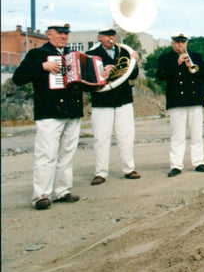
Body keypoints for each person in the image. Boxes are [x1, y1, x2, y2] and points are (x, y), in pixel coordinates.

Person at [12, 22, 84, 210]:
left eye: (66, 34)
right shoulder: (38, 55)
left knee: (67, 153)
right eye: (59, 33)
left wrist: (100, 77)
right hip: (49, 110)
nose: (63, 37)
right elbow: (18, 78)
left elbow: (82, 80)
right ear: (48, 35)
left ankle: (63, 190)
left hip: (72, 110)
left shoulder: (73, 55)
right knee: (46, 154)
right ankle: (41, 195)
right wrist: (42, 67)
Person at [86, 27, 141, 185]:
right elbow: (88, 79)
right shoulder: (91, 54)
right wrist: (102, 72)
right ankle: (100, 172)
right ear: (100, 37)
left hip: (123, 99)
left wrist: (134, 63)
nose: (111, 38)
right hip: (102, 100)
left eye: (113, 35)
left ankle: (129, 169)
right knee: (101, 138)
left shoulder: (124, 52)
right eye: (107, 35)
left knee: (126, 136)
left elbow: (133, 74)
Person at [156, 33, 204, 176]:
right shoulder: (165, 58)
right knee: (177, 135)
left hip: (195, 100)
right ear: (172, 43)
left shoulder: (196, 57)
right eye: (177, 42)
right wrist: (177, 63)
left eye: (183, 42)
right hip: (176, 101)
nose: (180, 45)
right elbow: (160, 76)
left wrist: (194, 66)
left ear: (186, 42)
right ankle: (176, 165)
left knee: (197, 134)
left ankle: (199, 162)